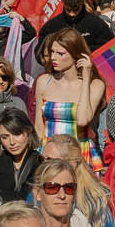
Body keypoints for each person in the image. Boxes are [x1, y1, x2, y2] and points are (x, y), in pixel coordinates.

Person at [32, 30, 104, 163]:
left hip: (77, 154)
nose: (53, 57)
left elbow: (83, 120)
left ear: (76, 55)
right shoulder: (44, 81)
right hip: (49, 154)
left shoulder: (95, 85)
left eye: (60, 53)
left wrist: (86, 76)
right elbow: (38, 126)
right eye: (52, 52)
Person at [0, 109, 43, 204]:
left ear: (28, 131)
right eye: (5, 137)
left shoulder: (40, 162)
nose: (12, 142)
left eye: (17, 134)